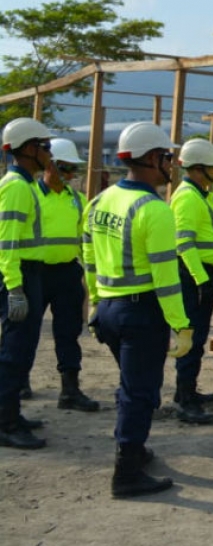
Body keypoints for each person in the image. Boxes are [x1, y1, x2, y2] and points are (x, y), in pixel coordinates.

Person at [83, 121, 192, 497]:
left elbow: (89, 258)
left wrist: (96, 304)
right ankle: (126, 473)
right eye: (167, 157)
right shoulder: (154, 209)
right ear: (150, 158)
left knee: (130, 385)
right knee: (141, 392)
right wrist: (181, 325)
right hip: (140, 313)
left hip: (110, 308)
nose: (172, 164)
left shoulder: (100, 200)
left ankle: (134, 449)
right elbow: (166, 278)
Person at [169, 138, 213, 425]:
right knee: (191, 338)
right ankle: (185, 400)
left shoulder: (202, 195)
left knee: (199, 337)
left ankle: (188, 391)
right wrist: (200, 279)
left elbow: (211, 240)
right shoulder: (186, 196)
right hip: (191, 275)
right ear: (197, 169)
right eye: (212, 167)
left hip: (204, 274)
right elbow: (184, 243)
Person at [33, 138, 101, 413]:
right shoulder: (29, 195)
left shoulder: (77, 199)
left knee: (68, 333)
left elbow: (84, 240)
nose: (71, 175)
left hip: (67, 274)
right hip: (33, 274)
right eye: (66, 168)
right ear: (49, 166)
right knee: (23, 334)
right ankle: (18, 383)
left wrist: (89, 276)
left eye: (74, 169)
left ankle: (70, 390)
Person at [0, 117, 55, 450]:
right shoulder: (17, 187)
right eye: (45, 146)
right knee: (13, 353)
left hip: (28, 273)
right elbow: (6, 242)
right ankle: (5, 422)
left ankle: (12, 414)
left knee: (23, 350)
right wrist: (14, 288)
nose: (49, 153)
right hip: (19, 275)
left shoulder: (27, 184)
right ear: (28, 149)